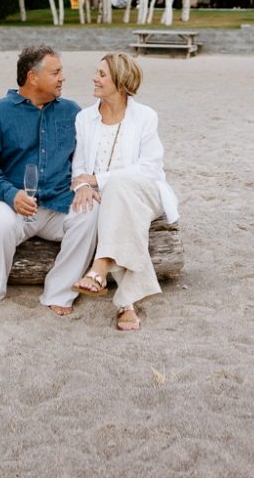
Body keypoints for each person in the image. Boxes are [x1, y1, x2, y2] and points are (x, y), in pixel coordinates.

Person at [0, 45, 99, 316]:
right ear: (33, 77)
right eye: (56, 72)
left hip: (57, 203)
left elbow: (86, 158)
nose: (63, 78)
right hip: (11, 202)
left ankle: (59, 291)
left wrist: (85, 184)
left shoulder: (72, 112)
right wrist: (10, 194)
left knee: (91, 213)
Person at [70, 52, 179, 331]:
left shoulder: (145, 116)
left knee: (119, 190)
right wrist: (83, 186)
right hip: (107, 198)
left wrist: (97, 179)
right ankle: (126, 304)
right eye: (96, 72)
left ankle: (100, 267)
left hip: (146, 193)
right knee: (116, 204)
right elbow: (79, 167)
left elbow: (149, 169)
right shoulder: (84, 118)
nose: (94, 78)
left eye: (102, 74)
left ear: (121, 83)